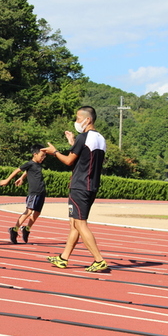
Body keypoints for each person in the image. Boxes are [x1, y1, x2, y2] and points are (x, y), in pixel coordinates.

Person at [42, 106, 109, 272]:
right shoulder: (100, 138)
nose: (76, 122)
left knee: (80, 223)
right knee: (74, 223)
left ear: (88, 120)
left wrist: (54, 152)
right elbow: (86, 157)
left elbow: (69, 161)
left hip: (80, 185)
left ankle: (98, 259)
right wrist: (73, 142)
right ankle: (63, 258)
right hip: (91, 185)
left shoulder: (83, 137)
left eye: (79, 119)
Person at [0, 144, 47, 244]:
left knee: (37, 213)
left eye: (44, 156)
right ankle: (14, 229)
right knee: (29, 211)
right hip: (34, 192)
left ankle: (27, 228)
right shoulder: (29, 163)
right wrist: (7, 180)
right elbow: (18, 170)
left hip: (41, 192)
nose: (43, 157)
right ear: (35, 154)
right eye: (42, 155)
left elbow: (27, 172)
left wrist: (22, 178)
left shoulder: (38, 164)